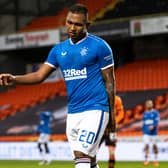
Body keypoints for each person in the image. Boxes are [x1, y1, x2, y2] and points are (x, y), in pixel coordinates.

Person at [0, 3, 116, 168]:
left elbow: (110, 82)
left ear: (87, 25)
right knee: (89, 162)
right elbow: (39, 76)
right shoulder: (58, 50)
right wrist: (14, 79)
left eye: (78, 24)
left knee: (81, 157)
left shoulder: (100, 46)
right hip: (73, 113)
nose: (72, 27)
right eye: (69, 22)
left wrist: (111, 118)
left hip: (96, 109)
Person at [100, 95, 124, 168]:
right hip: (100, 128)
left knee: (112, 151)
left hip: (111, 129)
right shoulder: (99, 97)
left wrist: (115, 121)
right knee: (93, 150)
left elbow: (121, 113)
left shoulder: (117, 99)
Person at [142, 100, 160, 166]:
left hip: (154, 133)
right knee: (146, 145)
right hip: (146, 133)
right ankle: (146, 160)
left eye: (150, 103)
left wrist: (153, 126)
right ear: (146, 105)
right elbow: (143, 123)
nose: (149, 105)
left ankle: (155, 160)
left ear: (152, 105)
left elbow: (157, 121)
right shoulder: (144, 114)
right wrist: (143, 131)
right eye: (148, 104)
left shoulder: (155, 113)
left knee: (155, 146)